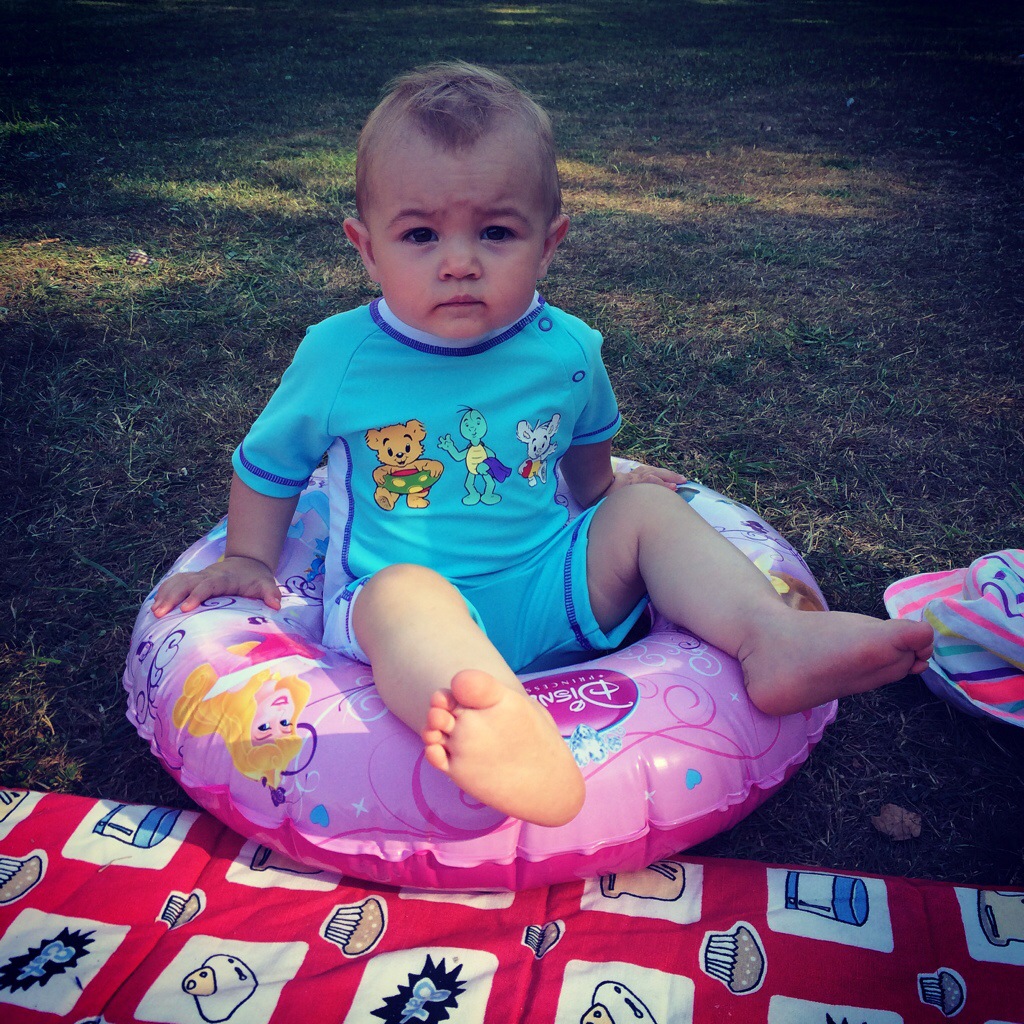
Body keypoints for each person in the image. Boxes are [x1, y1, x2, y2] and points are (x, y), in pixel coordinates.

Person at [153, 62, 934, 828]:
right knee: (401, 594)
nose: (460, 262)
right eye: (420, 234)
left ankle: (774, 640)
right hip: (408, 604)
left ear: (549, 241)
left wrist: (618, 503)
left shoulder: (567, 348)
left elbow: (586, 457)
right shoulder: (339, 357)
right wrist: (249, 558)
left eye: (496, 232)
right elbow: (270, 465)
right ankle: (494, 727)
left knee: (645, 512)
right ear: (366, 247)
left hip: (548, 585)